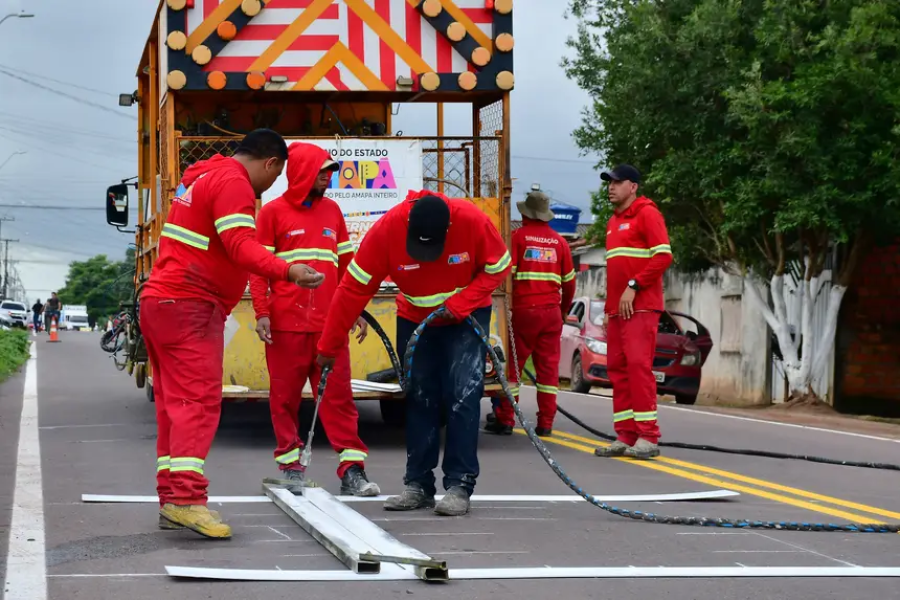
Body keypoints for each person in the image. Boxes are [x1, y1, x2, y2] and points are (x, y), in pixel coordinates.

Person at [139, 129, 325, 539]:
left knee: (174, 405)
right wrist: (288, 269)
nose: (269, 188)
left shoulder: (206, 176)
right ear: (270, 163)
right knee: (197, 403)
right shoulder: (234, 184)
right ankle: (187, 501)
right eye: (274, 179)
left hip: (163, 302)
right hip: (190, 304)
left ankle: (172, 498)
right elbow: (240, 245)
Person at [315, 191, 511, 516]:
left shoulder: (471, 220)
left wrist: (461, 304)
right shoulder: (387, 230)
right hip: (414, 318)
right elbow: (352, 290)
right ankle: (418, 484)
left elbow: (499, 267)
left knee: (462, 396)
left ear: (448, 229)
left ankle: (459, 485)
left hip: (466, 317)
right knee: (419, 398)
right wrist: (329, 346)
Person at [249, 142, 379, 496]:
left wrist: (356, 311)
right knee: (284, 399)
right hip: (285, 326)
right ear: (304, 171)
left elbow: (349, 270)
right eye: (323, 170)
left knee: (339, 400)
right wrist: (261, 312)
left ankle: (352, 471)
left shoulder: (334, 212)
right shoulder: (272, 214)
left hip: (329, 326)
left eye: (330, 171)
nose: (328, 177)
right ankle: (291, 467)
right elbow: (259, 270)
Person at [592, 164, 672, 460]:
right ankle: (625, 434)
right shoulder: (613, 222)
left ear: (633, 186)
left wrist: (634, 285)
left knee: (638, 367)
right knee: (618, 369)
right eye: (609, 183)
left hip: (640, 306)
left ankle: (648, 436)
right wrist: (608, 308)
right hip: (617, 310)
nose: (611, 187)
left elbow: (663, 256)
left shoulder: (647, 213)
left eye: (617, 182)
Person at [484, 191, 576, 437]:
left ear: (525, 214)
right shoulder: (560, 243)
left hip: (524, 313)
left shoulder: (518, 238)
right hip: (552, 314)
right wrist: (563, 309)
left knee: (513, 369)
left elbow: (506, 277)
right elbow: (569, 284)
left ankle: (505, 419)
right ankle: (546, 423)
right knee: (548, 372)